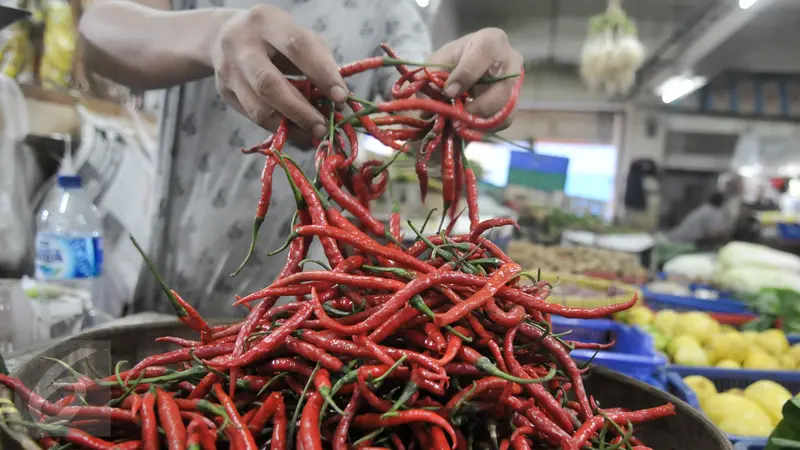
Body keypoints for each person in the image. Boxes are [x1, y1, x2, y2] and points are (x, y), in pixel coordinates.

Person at [77, 0, 523, 317]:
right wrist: (213, 34)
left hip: (311, 319)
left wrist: (464, 84)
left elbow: (412, 103)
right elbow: (98, 29)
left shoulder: (388, 9)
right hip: (175, 296)